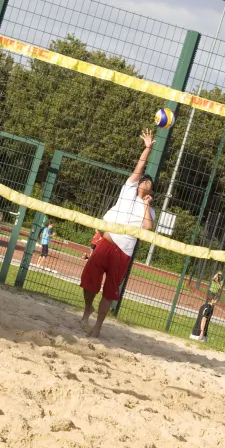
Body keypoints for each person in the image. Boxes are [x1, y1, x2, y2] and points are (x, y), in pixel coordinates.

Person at [80, 128, 156, 338]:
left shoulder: (149, 209)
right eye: (142, 180)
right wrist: (147, 148)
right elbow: (139, 167)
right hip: (106, 243)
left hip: (123, 252)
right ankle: (88, 308)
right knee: (88, 282)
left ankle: (98, 327)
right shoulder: (128, 190)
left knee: (110, 292)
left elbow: (148, 229)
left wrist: (145, 206)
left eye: (148, 182)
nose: (144, 181)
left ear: (151, 191)